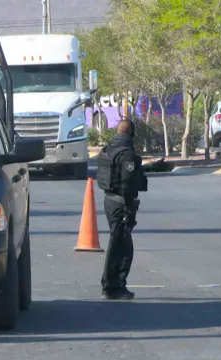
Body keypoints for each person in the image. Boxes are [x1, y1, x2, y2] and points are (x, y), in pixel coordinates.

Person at [95, 119, 148, 300]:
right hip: (120, 203)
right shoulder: (127, 155)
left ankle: (114, 285)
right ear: (131, 133)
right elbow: (126, 184)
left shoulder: (108, 149)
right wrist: (129, 208)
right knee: (120, 247)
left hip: (110, 200)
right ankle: (112, 286)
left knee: (121, 245)